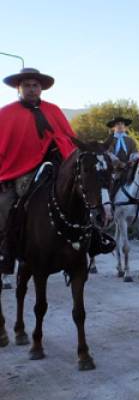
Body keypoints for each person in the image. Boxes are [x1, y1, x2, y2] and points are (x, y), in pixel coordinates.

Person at [0, 68, 80, 273]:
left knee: (84, 194)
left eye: (35, 85)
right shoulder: (6, 114)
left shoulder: (53, 111)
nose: (31, 89)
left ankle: (91, 239)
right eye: (26, 85)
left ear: (41, 88)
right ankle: (6, 251)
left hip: (56, 166)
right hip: (18, 171)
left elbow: (70, 139)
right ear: (18, 88)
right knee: (4, 205)